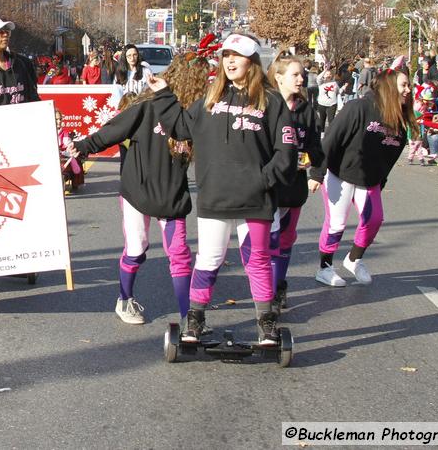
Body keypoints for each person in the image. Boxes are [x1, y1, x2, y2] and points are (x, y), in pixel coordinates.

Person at [146, 33, 296, 345]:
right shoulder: (209, 101)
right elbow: (181, 127)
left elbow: (287, 152)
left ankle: (266, 324)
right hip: (215, 197)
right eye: (226, 54)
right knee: (209, 260)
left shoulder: (271, 101)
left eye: (237, 55)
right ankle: (195, 321)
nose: (229, 61)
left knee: (257, 261)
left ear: (252, 61)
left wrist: (263, 180)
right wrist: (163, 95)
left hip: (256, 200)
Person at [70, 50, 211, 328]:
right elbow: (112, 131)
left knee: (179, 256)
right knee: (136, 248)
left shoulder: (196, 114)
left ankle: (189, 320)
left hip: (172, 195)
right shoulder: (147, 107)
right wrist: (83, 147)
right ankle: (125, 297)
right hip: (138, 190)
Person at [311, 64, 413, 286]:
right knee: (336, 224)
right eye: (404, 85)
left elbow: (390, 157)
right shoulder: (358, 107)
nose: (408, 90)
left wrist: (380, 179)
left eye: (409, 85)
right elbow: (330, 140)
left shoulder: (399, 120)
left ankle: (354, 260)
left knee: (374, 219)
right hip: (340, 174)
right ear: (388, 86)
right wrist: (317, 174)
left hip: (369, 180)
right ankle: (325, 267)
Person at [267, 52, 325, 311]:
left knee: (286, 239)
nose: (301, 79)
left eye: (303, 74)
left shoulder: (306, 110)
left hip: (293, 186)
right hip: (268, 186)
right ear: (279, 78)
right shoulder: (264, 105)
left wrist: (315, 171)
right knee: (268, 239)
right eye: (295, 75)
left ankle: (279, 286)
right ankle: (264, 289)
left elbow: (315, 146)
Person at [109, 44, 151, 108]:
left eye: (135, 55)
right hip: (124, 109)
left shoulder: (146, 71)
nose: (132, 58)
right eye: (129, 55)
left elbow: (150, 91)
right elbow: (116, 93)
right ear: (125, 57)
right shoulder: (119, 73)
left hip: (140, 107)